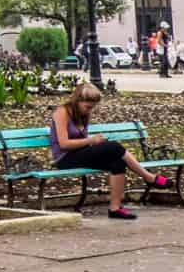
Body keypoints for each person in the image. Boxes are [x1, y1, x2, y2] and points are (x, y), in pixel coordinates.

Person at [49, 82, 170, 219]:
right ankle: (149, 177)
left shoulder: (83, 115)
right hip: (65, 158)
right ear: (77, 101)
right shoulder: (62, 112)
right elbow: (64, 144)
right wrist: (91, 141)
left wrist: (93, 144)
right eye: (87, 107)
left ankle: (115, 208)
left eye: (92, 108)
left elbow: (82, 141)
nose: (89, 111)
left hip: (80, 153)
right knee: (114, 147)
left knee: (117, 162)